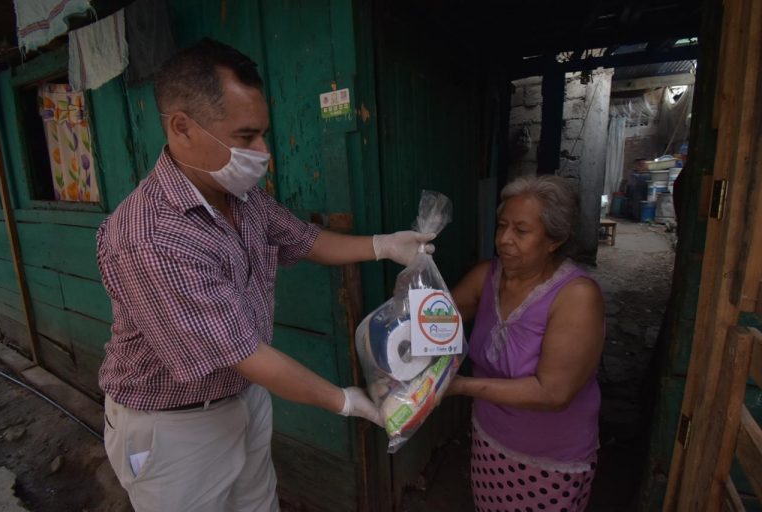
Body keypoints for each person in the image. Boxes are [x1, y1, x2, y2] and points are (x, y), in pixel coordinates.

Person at [96, 38, 433, 512]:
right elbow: (244, 353)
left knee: (260, 504)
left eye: (264, 135)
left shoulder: (241, 195)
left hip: (243, 397)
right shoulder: (150, 236)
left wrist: (383, 246)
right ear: (181, 127)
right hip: (172, 426)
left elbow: (305, 239)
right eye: (246, 136)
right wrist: (344, 401)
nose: (263, 152)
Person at [448, 175, 604, 512]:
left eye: (521, 231)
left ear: (554, 240)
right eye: (502, 226)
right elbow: (433, 323)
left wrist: (460, 385)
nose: (504, 239)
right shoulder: (487, 276)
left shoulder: (576, 297)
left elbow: (552, 393)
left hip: (548, 460)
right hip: (489, 441)